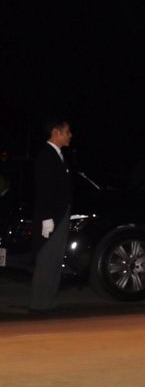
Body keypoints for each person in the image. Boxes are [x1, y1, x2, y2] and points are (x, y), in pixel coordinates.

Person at [29, 117, 73, 313]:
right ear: (56, 132)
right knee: (47, 258)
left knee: (55, 259)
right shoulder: (46, 155)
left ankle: (49, 300)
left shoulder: (58, 155)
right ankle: (38, 303)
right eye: (67, 131)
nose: (70, 135)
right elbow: (45, 189)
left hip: (60, 214)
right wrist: (47, 219)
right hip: (51, 216)